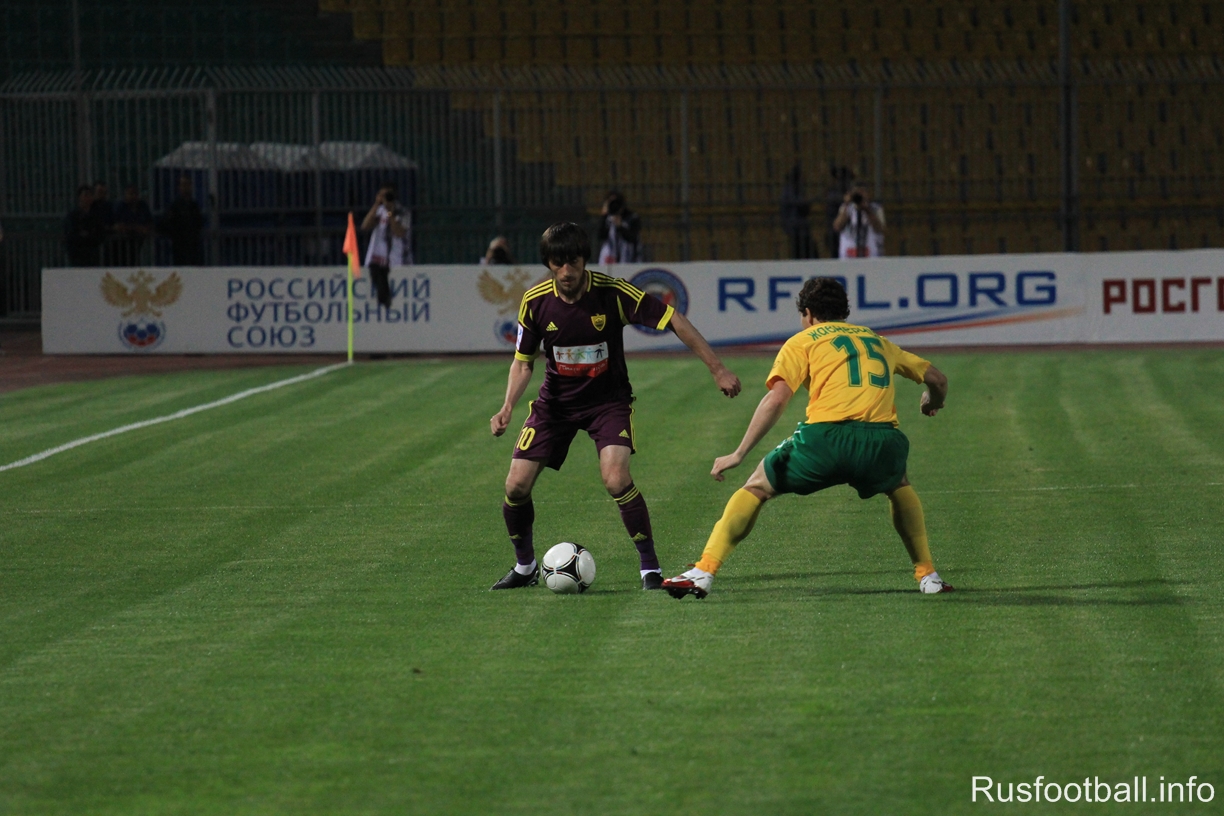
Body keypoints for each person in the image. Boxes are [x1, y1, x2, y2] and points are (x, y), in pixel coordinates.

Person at [662, 276, 954, 599]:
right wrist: (932, 402)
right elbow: (938, 380)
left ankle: (704, 571)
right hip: (882, 442)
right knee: (898, 484)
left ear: (809, 314)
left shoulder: (802, 341)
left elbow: (777, 399)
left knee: (757, 486)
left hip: (824, 441)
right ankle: (928, 576)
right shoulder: (878, 341)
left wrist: (738, 453)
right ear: (843, 312)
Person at [489, 222, 742, 591]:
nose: (566, 271)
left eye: (573, 261)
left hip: (607, 404)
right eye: (558, 263)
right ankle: (525, 567)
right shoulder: (536, 301)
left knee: (616, 478)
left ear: (584, 260)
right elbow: (523, 362)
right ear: (548, 264)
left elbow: (673, 319)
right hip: (554, 407)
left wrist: (717, 368)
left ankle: (649, 568)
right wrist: (507, 406)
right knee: (515, 486)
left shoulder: (613, 294)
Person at [361, 184, 412, 309]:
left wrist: (390, 212)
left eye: (387, 195)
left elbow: (398, 232)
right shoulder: (378, 211)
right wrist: (376, 205)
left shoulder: (403, 212)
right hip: (377, 260)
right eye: (381, 195)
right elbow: (365, 226)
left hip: (395, 260)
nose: (384, 198)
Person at [158, 175, 205, 265]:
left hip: (193, 245)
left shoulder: (194, 205)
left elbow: (198, 223)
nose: (186, 187)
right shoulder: (175, 206)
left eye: (188, 184)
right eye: (183, 185)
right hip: (180, 246)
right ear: (179, 187)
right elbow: (165, 223)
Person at [832, 185, 886, 259]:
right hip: (849, 253)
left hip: (871, 253)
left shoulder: (875, 208)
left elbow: (879, 229)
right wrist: (846, 204)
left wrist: (867, 209)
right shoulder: (846, 208)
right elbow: (837, 227)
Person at [113, 184, 154, 267]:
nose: (133, 196)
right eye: (130, 194)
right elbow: (117, 225)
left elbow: (150, 222)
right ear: (125, 195)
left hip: (139, 244)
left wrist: (145, 229)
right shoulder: (120, 207)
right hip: (121, 245)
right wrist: (136, 228)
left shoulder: (142, 206)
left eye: (135, 193)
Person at [65, 185, 106, 267]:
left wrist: (89, 236)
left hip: (92, 255)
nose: (88, 198)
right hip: (77, 255)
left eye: (90, 195)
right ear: (79, 197)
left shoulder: (96, 215)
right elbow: (71, 233)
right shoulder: (72, 216)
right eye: (86, 195)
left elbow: (100, 233)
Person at [596, 191, 642, 265]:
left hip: (629, 258)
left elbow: (633, 237)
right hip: (610, 258)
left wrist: (620, 226)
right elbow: (601, 235)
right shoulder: (607, 218)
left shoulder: (632, 217)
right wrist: (604, 216)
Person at [781, 164, 815, 259]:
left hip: (796, 227)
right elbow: (800, 204)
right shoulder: (791, 190)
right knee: (804, 253)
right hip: (797, 228)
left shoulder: (793, 189)